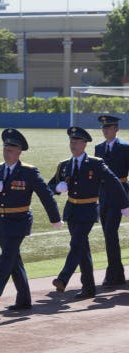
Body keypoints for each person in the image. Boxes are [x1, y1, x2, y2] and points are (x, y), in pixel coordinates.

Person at [0, 128, 62, 310]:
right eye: (4, 149)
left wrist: (55, 218)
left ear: (18, 152)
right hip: (0, 220)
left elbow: (46, 195)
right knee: (14, 259)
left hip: (19, 221)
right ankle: (24, 300)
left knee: (7, 255)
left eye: (10, 150)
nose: (6, 153)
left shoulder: (28, 172)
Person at [48, 127, 129, 298]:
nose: (73, 145)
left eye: (77, 142)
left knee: (76, 244)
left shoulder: (95, 163)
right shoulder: (64, 165)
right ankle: (89, 287)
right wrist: (56, 187)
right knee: (82, 249)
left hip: (88, 210)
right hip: (71, 211)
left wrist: (124, 204)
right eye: (71, 141)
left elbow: (115, 183)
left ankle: (63, 278)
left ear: (85, 144)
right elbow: (49, 186)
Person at [94, 115, 129, 287]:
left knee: (110, 232)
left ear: (116, 129)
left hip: (120, 194)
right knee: (109, 235)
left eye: (109, 127)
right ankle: (118, 273)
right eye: (103, 128)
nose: (106, 130)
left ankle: (113, 273)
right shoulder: (98, 148)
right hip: (104, 196)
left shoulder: (125, 147)